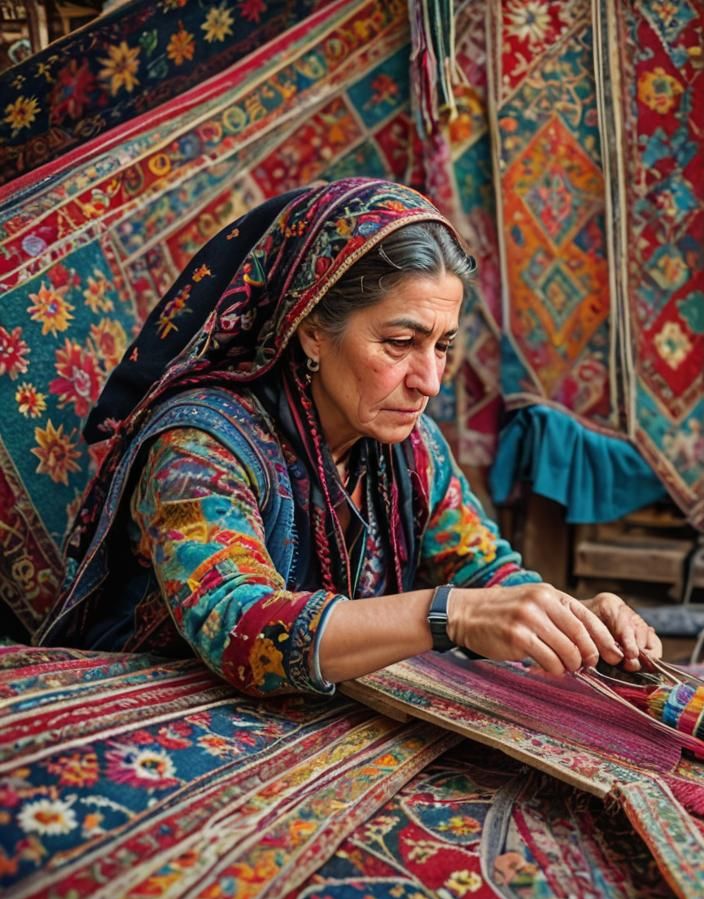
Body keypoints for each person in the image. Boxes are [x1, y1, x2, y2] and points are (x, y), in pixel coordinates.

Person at [38, 179, 662, 696]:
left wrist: (569, 618)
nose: (429, 382)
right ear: (311, 332)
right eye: (399, 344)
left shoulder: (409, 450)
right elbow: (242, 630)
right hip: (154, 709)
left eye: (442, 347)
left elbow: (483, 574)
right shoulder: (201, 446)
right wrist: (450, 615)